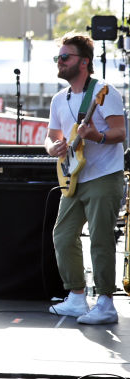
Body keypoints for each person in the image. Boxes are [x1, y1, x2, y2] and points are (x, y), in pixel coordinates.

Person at [44, 34, 125, 324]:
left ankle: (105, 303)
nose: (60, 62)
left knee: (101, 239)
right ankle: (77, 297)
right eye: (58, 57)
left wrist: (97, 135)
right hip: (73, 177)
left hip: (104, 175)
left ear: (84, 62)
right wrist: (53, 147)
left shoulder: (103, 91)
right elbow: (52, 136)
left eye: (65, 57)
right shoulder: (58, 99)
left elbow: (120, 133)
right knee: (63, 235)